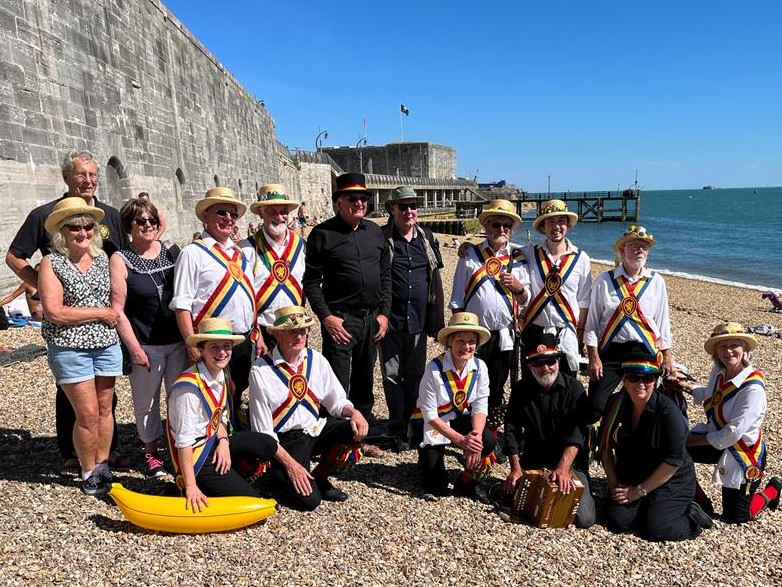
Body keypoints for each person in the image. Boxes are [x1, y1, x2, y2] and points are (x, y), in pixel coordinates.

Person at [6, 149, 128, 474]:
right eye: (81, 175)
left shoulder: (109, 215)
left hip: (103, 329)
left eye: (93, 175)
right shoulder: (44, 215)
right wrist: (46, 287)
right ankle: (71, 453)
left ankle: (105, 453)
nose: (88, 181)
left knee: (105, 398)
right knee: (72, 392)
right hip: (67, 328)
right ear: (66, 178)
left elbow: (121, 258)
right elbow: (15, 257)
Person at [38, 198, 123, 495]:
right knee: (86, 414)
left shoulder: (103, 259)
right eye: (75, 226)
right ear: (63, 230)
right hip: (70, 347)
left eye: (88, 225)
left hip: (106, 344)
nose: (83, 231)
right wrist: (101, 313)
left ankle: (101, 465)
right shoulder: (52, 262)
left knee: (104, 408)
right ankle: (88, 470)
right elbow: (55, 312)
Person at [248, 306, 368, 511]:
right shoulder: (260, 371)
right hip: (285, 442)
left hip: (314, 430)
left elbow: (336, 401)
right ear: (276, 334)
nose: (299, 335)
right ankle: (274, 479)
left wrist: (355, 413)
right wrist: (291, 466)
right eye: (292, 330)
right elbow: (263, 432)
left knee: (354, 430)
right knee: (309, 502)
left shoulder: (316, 360)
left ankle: (319, 478)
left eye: (303, 330)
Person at [303, 172, 391, 433]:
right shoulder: (322, 234)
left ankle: (364, 424)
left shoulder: (375, 232)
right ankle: (338, 431)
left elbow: (385, 276)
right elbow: (311, 282)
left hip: (371, 318)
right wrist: (327, 317)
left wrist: (384, 313)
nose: (360, 203)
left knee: (365, 374)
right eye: (353, 198)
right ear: (338, 201)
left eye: (364, 198)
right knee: (337, 377)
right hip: (341, 318)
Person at [110, 198, 188, 479]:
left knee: (180, 397)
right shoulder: (120, 259)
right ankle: (152, 454)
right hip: (146, 344)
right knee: (146, 402)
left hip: (178, 343)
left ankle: (182, 449)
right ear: (129, 225)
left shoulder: (171, 252)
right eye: (141, 221)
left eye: (152, 220)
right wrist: (134, 348)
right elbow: (117, 310)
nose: (148, 226)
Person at [166, 318, 278, 512]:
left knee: (267, 444)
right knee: (250, 501)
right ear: (201, 350)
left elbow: (220, 416)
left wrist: (224, 442)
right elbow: (184, 442)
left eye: (226, 346)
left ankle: (229, 475)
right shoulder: (188, 389)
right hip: (196, 456)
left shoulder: (221, 374)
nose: (222, 352)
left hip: (214, 441)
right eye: (214, 347)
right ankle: (184, 488)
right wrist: (190, 486)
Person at [599, 352, 711, 541]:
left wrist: (638, 492)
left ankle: (692, 516)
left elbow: (673, 462)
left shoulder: (669, 414)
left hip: (670, 478)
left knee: (657, 529)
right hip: (634, 472)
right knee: (616, 521)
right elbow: (604, 446)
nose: (641, 384)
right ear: (624, 379)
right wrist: (613, 483)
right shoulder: (615, 404)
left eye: (648, 378)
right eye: (634, 377)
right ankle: (651, 507)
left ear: (655, 380)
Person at [171, 187, 259, 420]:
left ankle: (233, 435)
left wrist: (256, 332)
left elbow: (248, 296)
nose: (228, 219)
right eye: (221, 213)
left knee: (237, 387)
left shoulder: (240, 254)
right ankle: (213, 441)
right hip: (212, 340)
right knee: (211, 393)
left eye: (233, 215)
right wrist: (191, 344)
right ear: (205, 216)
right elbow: (182, 304)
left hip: (242, 338)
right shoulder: (192, 253)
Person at [685, 322, 781, 523]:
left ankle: (772, 491)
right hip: (716, 440)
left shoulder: (753, 390)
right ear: (716, 352)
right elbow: (711, 394)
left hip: (742, 452)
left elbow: (733, 433)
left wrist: (694, 440)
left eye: (734, 345)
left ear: (745, 348)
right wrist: (686, 387)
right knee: (674, 451)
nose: (728, 351)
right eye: (722, 346)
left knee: (736, 517)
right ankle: (700, 502)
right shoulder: (719, 371)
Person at [502, 332, 596, 528]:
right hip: (534, 460)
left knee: (584, 519)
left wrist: (562, 469)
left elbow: (576, 434)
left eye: (550, 361)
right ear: (529, 366)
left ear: (558, 361)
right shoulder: (520, 390)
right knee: (515, 504)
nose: (545, 367)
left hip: (570, 463)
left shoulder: (575, 389)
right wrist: (516, 468)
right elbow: (511, 429)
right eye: (538, 363)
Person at [450, 199, 527, 435]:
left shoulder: (519, 258)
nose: (500, 230)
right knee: (467, 381)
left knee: (497, 383)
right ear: (486, 226)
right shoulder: (470, 254)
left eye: (506, 225)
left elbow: (526, 300)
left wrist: (517, 286)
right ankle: (464, 431)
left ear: (511, 229)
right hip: (473, 333)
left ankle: (490, 435)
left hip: (504, 333)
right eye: (495, 224)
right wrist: (458, 335)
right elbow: (457, 297)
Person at [583, 225, 674, 423]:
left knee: (644, 405)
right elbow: (592, 323)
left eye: (643, 247)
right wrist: (593, 357)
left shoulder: (656, 281)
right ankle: (599, 438)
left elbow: (663, 320)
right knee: (594, 406)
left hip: (643, 351)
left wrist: (667, 355)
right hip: (611, 352)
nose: (639, 250)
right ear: (622, 252)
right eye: (633, 246)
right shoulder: (604, 281)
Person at [380, 186, 445, 447]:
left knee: (416, 375)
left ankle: (413, 421)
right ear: (392, 209)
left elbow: (437, 280)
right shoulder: (383, 238)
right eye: (403, 206)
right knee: (392, 376)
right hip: (391, 322)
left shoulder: (427, 239)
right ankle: (396, 425)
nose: (409, 211)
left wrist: (438, 322)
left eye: (413, 206)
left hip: (419, 320)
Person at [412, 312, 495, 501]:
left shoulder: (480, 367)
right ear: (450, 341)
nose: (466, 347)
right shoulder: (433, 369)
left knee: (488, 442)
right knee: (436, 487)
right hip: (430, 423)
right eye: (460, 340)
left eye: (471, 341)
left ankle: (467, 478)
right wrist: (460, 440)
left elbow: (481, 406)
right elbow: (430, 415)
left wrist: (475, 438)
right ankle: (425, 461)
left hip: (456, 417)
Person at [519, 199, 592, 377]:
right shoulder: (530, 253)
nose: (556, 226)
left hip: (566, 331)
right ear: (543, 226)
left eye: (561, 221)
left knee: (566, 385)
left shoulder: (581, 259)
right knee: (534, 385)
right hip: (535, 329)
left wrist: (581, 333)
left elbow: (584, 300)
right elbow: (502, 254)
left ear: (568, 225)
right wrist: (469, 248)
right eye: (551, 221)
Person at [248, 183, 306, 354]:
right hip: (264, 331)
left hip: (296, 327)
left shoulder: (302, 247)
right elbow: (245, 296)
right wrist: (255, 332)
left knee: (295, 378)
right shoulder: (247, 249)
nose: (279, 217)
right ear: (260, 212)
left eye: (283, 212)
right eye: (272, 211)